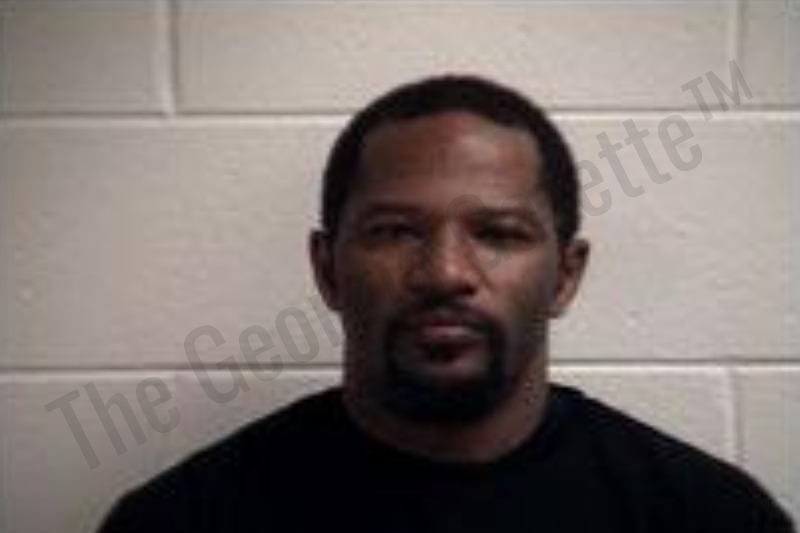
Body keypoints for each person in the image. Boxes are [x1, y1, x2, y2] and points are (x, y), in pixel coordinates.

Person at [97, 75, 794, 533]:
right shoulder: (181, 521)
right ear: (327, 270)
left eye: (499, 234)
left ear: (565, 276)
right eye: (394, 232)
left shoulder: (710, 517)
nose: (445, 273)